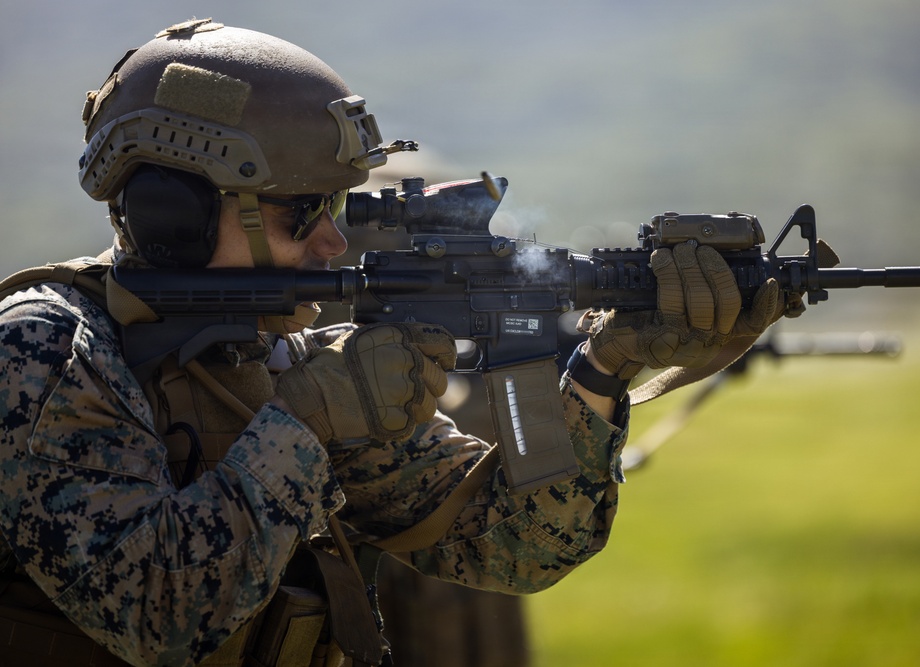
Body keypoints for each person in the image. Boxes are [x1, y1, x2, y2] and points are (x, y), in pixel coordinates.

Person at [0, 18, 783, 667]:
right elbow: (155, 612)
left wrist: (605, 365)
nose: (335, 242)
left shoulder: (278, 360)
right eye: (303, 212)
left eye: (337, 206)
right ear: (176, 214)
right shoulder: (47, 354)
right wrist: (303, 423)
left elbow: (518, 542)